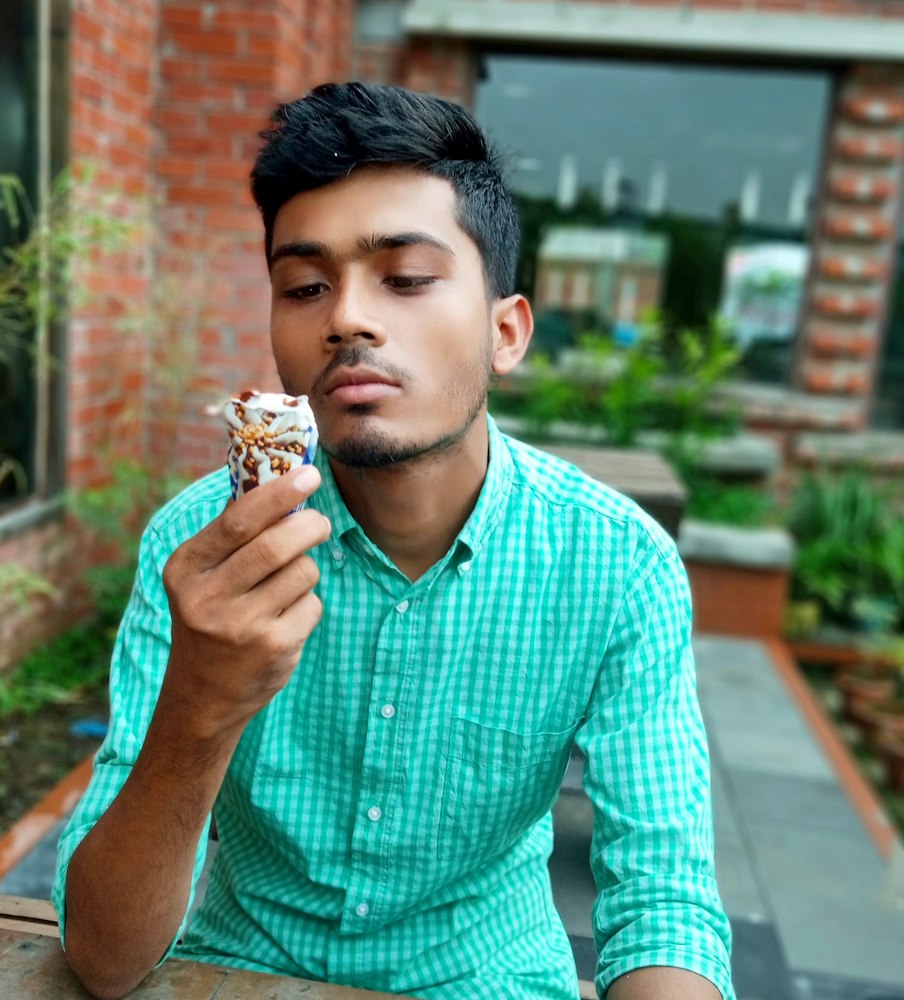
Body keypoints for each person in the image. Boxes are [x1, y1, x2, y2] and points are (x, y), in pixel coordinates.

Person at [53, 82, 734, 1000]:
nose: (346, 318)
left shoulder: (619, 567)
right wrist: (200, 704)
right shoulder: (201, 547)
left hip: (486, 980)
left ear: (505, 331)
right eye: (305, 286)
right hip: (234, 974)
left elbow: (663, 898)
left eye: (407, 278)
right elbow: (103, 956)